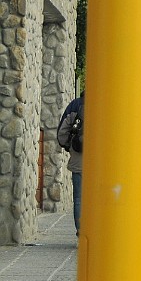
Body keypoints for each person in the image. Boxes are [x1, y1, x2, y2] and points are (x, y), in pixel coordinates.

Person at [57, 92, 84, 236]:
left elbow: (62, 133)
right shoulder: (108, 104)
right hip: (102, 162)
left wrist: (70, 146)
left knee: (79, 198)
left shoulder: (76, 104)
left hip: (79, 158)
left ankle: (81, 230)